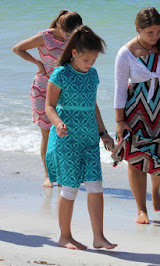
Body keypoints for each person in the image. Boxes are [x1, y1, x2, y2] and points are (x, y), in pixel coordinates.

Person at [45, 25, 117, 250]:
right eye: (87, 60)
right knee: (70, 189)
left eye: (94, 60)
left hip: (89, 139)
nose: (91, 64)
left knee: (96, 187)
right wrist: (58, 123)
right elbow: (49, 106)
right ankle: (65, 236)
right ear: (74, 53)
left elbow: (92, 106)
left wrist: (103, 133)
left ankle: (99, 237)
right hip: (66, 139)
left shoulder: (92, 75)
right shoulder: (61, 73)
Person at [113, 7, 160, 224]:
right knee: (136, 161)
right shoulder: (125, 53)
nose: (155, 37)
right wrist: (119, 121)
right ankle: (141, 209)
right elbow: (119, 90)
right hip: (135, 113)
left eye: (158, 31)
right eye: (150, 32)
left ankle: (156, 189)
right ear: (138, 29)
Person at [12, 10, 82, 188]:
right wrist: (38, 63)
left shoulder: (76, 38)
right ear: (59, 26)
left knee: (66, 132)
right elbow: (18, 48)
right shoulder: (44, 37)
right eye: (69, 33)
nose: (70, 37)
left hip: (65, 90)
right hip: (43, 89)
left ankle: (68, 171)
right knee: (46, 133)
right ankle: (49, 175)